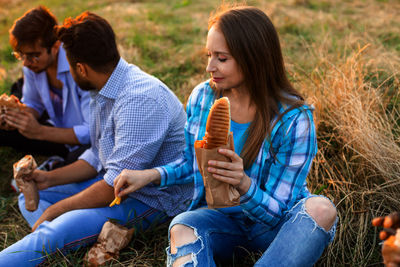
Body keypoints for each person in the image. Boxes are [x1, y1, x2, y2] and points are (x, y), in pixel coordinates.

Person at [113, 5, 338, 266]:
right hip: (221, 222)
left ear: (253, 58)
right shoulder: (203, 97)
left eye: (222, 58)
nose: (210, 66)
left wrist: (243, 183)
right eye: (209, 55)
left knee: (321, 210)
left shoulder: (294, 118)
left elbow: (279, 212)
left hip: (274, 229)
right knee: (182, 226)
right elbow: (192, 162)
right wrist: (150, 175)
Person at [0, 11, 192, 266]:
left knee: (53, 227)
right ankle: (84, 234)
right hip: (112, 185)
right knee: (31, 196)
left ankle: (66, 234)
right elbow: (97, 155)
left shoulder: (140, 100)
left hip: (151, 200)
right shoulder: (102, 87)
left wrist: (55, 211)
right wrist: (48, 179)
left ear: (80, 68)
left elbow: (115, 184)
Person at [0, 6, 91, 166]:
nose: (27, 63)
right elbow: (33, 102)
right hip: (54, 125)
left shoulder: (79, 68)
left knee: (80, 159)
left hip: (78, 140)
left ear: (56, 47)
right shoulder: (33, 65)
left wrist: (40, 132)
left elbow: (91, 131)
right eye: (21, 55)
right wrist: (16, 117)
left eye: (34, 56)